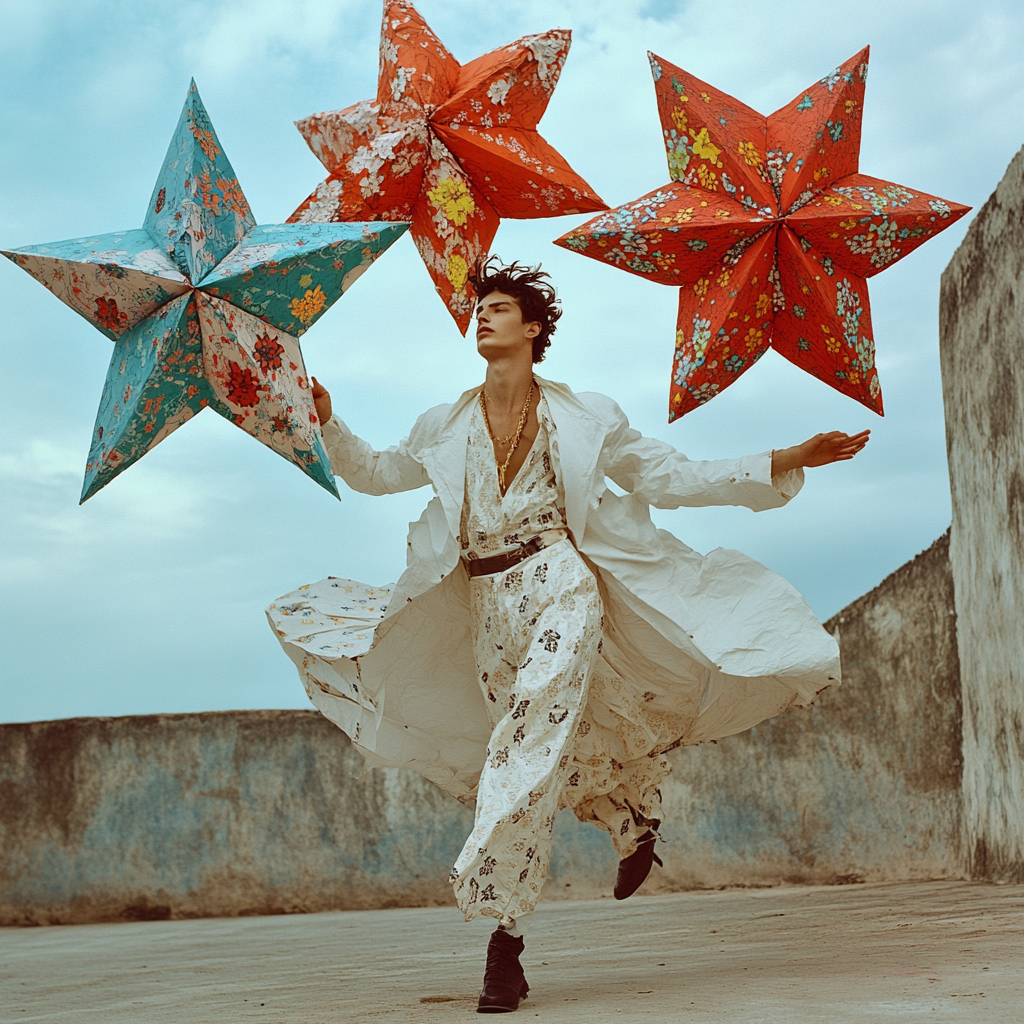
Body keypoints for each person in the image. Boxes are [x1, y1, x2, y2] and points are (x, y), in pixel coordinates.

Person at [270, 258, 869, 1014]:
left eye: (497, 308)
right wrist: (326, 416)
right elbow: (375, 473)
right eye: (478, 309)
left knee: (525, 749)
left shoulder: (587, 417)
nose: (482, 318)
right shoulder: (444, 424)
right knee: (548, 743)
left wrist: (782, 459)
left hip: (560, 584)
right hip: (489, 606)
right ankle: (631, 819)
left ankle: (505, 940)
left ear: (533, 327)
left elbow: (671, 477)